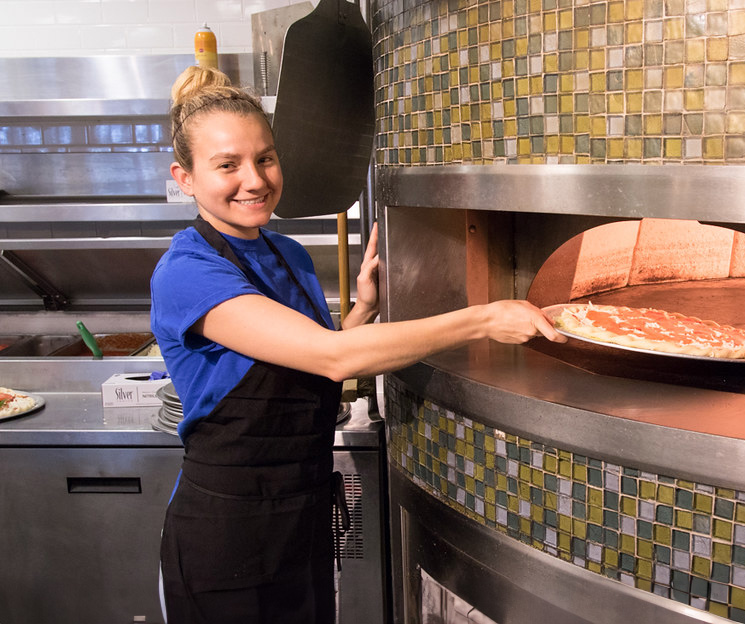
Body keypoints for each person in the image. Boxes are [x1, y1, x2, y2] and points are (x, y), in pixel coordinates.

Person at [150, 65, 565, 624]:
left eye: (265, 158)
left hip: (303, 517)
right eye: (227, 165)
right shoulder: (187, 272)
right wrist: (483, 318)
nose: (254, 179)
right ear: (186, 177)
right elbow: (334, 358)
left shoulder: (286, 254)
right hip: (228, 531)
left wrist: (363, 308)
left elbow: (316, 359)